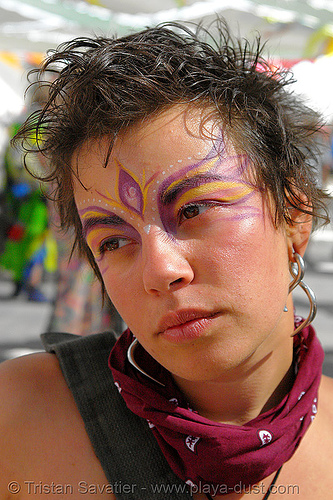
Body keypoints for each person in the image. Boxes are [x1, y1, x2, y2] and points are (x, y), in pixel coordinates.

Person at [1, 20, 332, 499]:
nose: (161, 270)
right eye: (113, 242)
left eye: (194, 210)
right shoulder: (20, 420)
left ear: (294, 215)